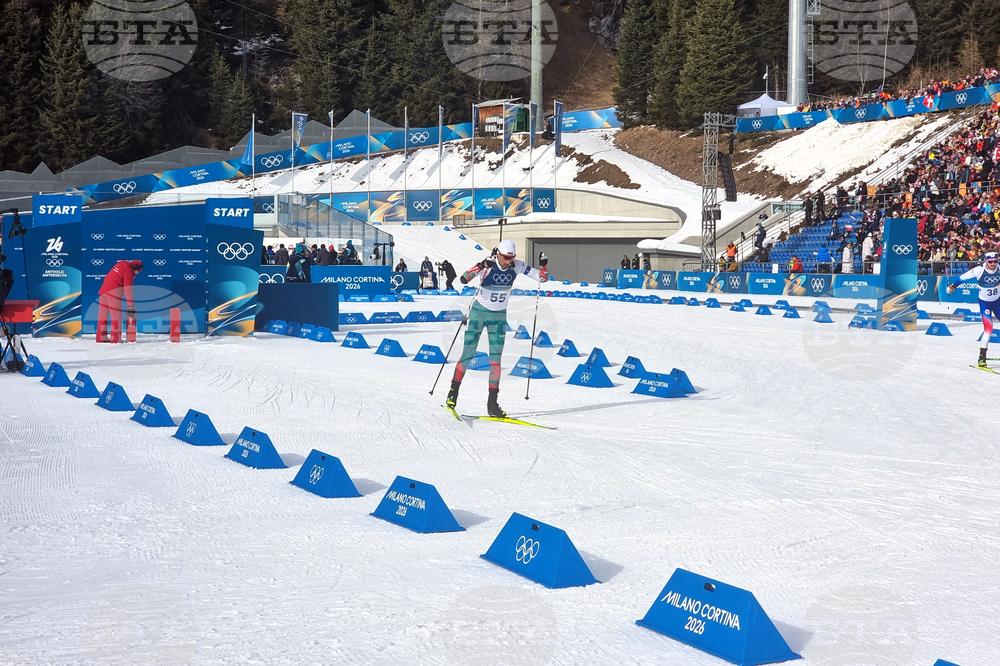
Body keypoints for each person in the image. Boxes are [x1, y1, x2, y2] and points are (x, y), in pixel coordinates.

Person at [447, 239, 547, 418]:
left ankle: (492, 404)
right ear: (498, 254)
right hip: (479, 313)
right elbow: (462, 279)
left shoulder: (517, 265)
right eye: (506, 257)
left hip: (499, 317)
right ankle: (453, 393)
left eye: (512, 257)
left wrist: (544, 266)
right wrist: (479, 266)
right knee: (468, 354)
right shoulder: (488, 264)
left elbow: (542, 279)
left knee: (496, 361)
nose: (509, 261)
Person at [948, 251, 1000, 367]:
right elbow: (962, 277)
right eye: (990, 262)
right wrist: (952, 287)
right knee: (988, 329)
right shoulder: (979, 270)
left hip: (997, 302)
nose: (993, 264)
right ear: (986, 260)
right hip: (985, 303)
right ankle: (982, 357)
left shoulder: (999, 268)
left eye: (995, 261)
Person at [97, 260, 142, 343]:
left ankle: (101, 337)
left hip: (103, 291)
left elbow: (107, 277)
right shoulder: (129, 272)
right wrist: (131, 306)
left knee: (102, 316)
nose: (136, 273)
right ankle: (116, 338)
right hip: (113, 294)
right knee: (116, 316)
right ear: (136, 268)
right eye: (138, 271)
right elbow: (128, 290)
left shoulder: (119, 265)